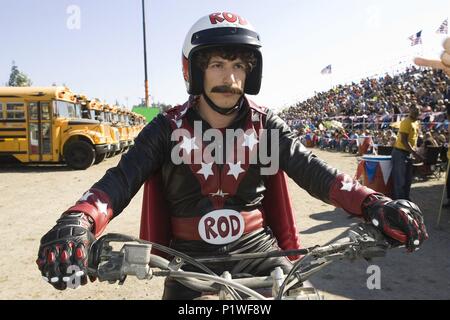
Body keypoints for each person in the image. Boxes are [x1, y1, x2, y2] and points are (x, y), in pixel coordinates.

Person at [37, 13, 429, 299]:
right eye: (219, 65)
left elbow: (317, 172)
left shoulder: (266, 124)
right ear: (195, 71)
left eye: (240, 66)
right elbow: (117, 182)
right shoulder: (164, 127)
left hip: (263, 255)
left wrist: (373, 203)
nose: (231, 79)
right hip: (186, 263)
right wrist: (79, 220)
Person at [391, 105, 423, 200]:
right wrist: (414, 153)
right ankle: (400, 201)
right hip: (400, 153)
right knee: (400, 180)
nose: (416, 113)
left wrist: (414, 151)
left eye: (417, 111)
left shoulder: (416, 122)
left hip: (408, 153)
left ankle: (405, 198)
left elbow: (414, 139)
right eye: (414, 111)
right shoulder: (406, 122)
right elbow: (404, 140)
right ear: (410, 111)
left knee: (408, 179)